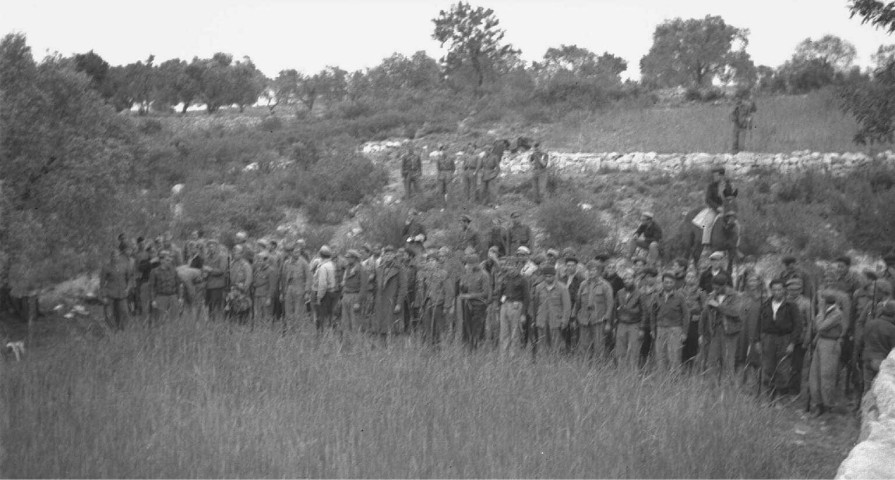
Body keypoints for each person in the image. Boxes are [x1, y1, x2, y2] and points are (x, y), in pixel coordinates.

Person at [754, 279, 802, 397]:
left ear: (784, 290)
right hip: (768, 339)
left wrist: (792, 343)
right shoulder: (765, 305)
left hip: (784, 339)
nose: (777, 292)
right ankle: (769, 396)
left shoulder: (791, 306)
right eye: (774, 290)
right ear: (771, 291)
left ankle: (780, 397)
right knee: (768, 368)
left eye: (779, 289)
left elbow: (798, 326)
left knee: (783, 369)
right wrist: (757, 341)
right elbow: (758, 324)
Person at [809, 290, 846, 416]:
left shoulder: (836, 313)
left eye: (821, 300)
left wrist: (819, 312)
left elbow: (820, 327)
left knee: (826, 376)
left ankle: (828, 406)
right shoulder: (828, 311)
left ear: (825, 301)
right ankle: (818, 404)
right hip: (821, 342)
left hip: (830, 345)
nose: (819, 302)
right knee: (815, 375)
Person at [699, 274, 743, 378]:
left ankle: (727, 389)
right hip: (715, 332)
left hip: (730, 332)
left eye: (718, 288)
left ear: (725, 285)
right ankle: (712, 389)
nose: (715, 290)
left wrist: (718, 306)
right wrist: (701, 333)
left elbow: (736, 312)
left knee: (728, 361)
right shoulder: (712, 295)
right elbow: (704, 313)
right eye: (714, 288)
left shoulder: (735, 295)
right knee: (712, 361)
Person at [650, 272, 690, 372]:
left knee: (674, 355)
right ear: (662, 283)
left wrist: (684, 332)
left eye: (671, 282)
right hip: (660, 328)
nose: (668, 284)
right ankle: (662, 379)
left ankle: (674, 380)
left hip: (675, 329)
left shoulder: (680, 297)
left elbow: (686, 315)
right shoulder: (656, 296)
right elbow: (652, 314)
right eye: (666, 282)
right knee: (660, 355)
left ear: (674, 283)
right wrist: (652, 329)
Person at [576, 258, 615, 360]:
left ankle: (599, 368)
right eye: (589, 270)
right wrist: (576, 316)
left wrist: (607, 322)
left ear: (599, 271)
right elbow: (578, 302)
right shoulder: (583, 285)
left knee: (599, 347)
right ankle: (585, 367)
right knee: (584, 346)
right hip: (584, 320)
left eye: (594, 270)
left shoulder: (605, 285)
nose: (591, 272)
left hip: (599, 320)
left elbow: (610, 304)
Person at [530, 265, 571, 356]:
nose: (548, 278)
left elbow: (567, 306)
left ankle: (554, 365)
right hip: (541, 320)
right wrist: (534, 320)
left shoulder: (562, 288)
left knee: (555, 346)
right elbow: (535, 305)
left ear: (554, 276)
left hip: (556, 321)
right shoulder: (539, 288)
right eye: (546, 276)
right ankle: (543, 364)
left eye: (550, 276)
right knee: (542, 345)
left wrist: (564, 321)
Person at [370, 247, 408, 346]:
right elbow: (376, 286)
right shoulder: (380, 268)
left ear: (394, 255)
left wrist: (399, 303)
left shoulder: (399, 268)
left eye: (390, 254)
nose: (388, 256)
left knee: (393, 327)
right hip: (380, 302)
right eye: (386, 254)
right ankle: (382, 349)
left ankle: (393, 349)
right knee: (381, 327)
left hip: (392, 301)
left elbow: (403, 287)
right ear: (384, 255)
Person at [418, 248, 455, 346]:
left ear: (437, 262)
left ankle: (440, 346)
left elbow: (449, 292)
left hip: (439, 304)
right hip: (427, 303)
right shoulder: (425, 275)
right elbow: (422, 290)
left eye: (433, 261)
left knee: (439, 327)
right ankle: (429, 345)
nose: (430, 263)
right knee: (427, 326)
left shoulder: (443, 274)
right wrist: (422, 304)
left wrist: (447, 306)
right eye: (429, 261)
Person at [786, 277, 815, 397]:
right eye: (791, 289)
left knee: (796, 366)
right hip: (785, 338)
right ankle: (784, 388)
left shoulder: (806, 303)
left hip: (800, 338)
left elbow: (810, 323)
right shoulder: (784, 300)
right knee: (785, 365)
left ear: (801, 290)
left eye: (796, 289)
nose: (793, 292)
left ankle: (794, 391)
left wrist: (806, 341)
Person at [498, 256, 530, 358]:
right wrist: (499, 307)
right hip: (505, 305)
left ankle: (513, 356)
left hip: (516, 306)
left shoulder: (523, 279)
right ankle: (503, 356)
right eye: (508, 266)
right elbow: (501, 293)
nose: (509, 268)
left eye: (512, 266)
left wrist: (523, 314)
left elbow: (526, 297)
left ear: (517, 266)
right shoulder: (504, 278)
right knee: (504, 333)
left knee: (515, 333)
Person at [458, 253, 491, 349]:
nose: (467, 266)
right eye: (467, 264)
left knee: (477, 329)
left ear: (476, 263)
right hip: (468, 305)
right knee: (467, 328)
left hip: (479, 305)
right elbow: (464, 288)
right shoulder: (468, 274)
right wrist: (462, 286)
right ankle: (468, 348)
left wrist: (470, 296)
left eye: (470, 264)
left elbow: (485, 293)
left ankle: (477, 349)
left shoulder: (484, 275)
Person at [700, 167, 738, 247]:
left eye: (716, 175)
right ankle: (706, 245)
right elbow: (708, 199)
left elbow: (730, 197)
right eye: (714, 176)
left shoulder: (728, 185)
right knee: (708, 222)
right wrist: (717, 207)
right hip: (714, 209)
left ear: (721, 176)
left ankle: (736, 244)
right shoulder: (711, 186)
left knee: (736, 223)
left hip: (727, 209)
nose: (714, 177)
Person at [862, 300, 895, 389]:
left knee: (867, 389)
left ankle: (864, 402)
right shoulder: (891, 328)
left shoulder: (870, 323)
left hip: (866, 358)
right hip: (881, 361)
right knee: (879, 390)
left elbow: (863, 340)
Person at [614, 271, 645, 368]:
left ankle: (633, 375)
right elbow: (615, 309)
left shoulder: (639, 293)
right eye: (625, 279)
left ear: (634, 279)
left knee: (634, 350)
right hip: (621, 324)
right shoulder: (619, 293)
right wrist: (614, 324)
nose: (627, 281)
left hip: (634, 325)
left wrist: (642, 328)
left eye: (629, 278)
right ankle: (621, 373)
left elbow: (644, 312)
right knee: (620, 350)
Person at [100, 246, 134, 331]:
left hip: (122, 293)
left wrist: (128, 288)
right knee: (110, 313)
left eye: (117, 255)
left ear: (119, 256)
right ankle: (113, 329)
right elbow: (102, 283)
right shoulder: (106, 267)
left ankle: (123, 329)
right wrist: (103, 296)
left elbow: (130, 278)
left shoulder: (125, 265)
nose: (115, 257)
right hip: (110, 293)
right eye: (114, 256)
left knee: (124, 311)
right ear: (111, 257)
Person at [148, 250, 182, 325]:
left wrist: (179, 298)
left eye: (169, 259)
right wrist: (153, 300)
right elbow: (151, 287)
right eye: (167, 260)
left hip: (173, 296)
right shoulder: (154, 271)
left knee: (174, 319)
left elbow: (178, 284)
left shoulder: (174, 270)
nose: (169, 261)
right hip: (161, 297)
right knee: (159, 320)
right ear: (161, 260)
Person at [339, 250, 368, 334]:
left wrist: (358, 302)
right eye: (346, 257)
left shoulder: (361, 269)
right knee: (345, 322)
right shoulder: (347, 268)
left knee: (355, 323)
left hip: (355, 296)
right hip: (346, 295)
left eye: (349, 257)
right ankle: (347, 342)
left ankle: (356, 343)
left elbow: (363, 287)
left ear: (354, 258)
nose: (347, 259)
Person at [313, 245, 338, 333]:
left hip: (325, 294)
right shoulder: (331, 264)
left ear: (321, 255)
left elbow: (322, 284)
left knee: (322, 317)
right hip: (332, 292)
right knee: (329, 315)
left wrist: (319, 297)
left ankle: (323, 335)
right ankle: (329, 333)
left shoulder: (323, 267)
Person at [202, 239, 228, 321]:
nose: (210, 248)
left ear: (217, 247)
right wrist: (204, 274)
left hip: (218, 286)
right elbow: (204, 269)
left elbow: (221, 270)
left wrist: (209, 270)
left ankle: (219, 323)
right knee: (210, 306)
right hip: (208, 285)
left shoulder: (222, 256)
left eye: (212, 246)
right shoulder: (207, 258)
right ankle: (212, 323)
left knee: (217, 307)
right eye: (209, 247)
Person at [227, 246, 253, 325]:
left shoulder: (245, 265)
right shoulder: (232, 263)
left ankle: (243, 327)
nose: (234, 254)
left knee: (243, 309)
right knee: (233, 309)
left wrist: (244, 288)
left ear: (241, 254)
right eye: (234, 252)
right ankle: (234, 326)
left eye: (237, 252)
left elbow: (249, 278)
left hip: (242, 291)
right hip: (233, 289)